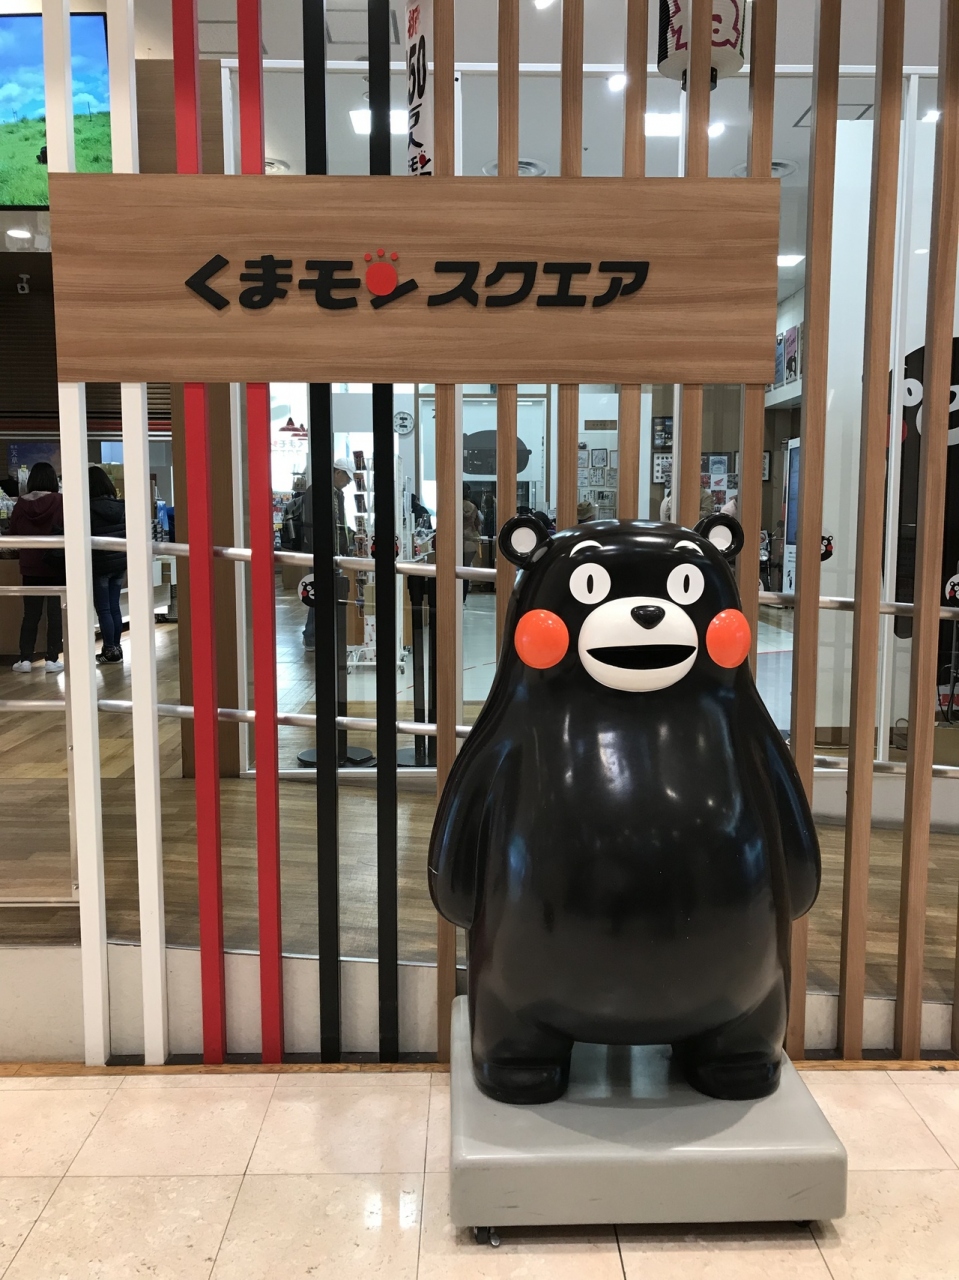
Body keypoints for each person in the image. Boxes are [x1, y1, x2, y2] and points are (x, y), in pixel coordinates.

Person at [8, 461, 64, 673]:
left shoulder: (21, 504)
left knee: (30, 614)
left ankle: (24, 659)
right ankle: (52, 659)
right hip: (55, 564)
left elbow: (13, 532)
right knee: (55, 614)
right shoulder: (60, 501)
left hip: (30, 566)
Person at [89, 466, 127, 665]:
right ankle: (116, 648)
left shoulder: (88, 509)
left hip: (101, 564)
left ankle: (110, 650)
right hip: (119, 563)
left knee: (103, 609)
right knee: (114, 607)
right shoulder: (121, 507)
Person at [462, 483, 481, 600]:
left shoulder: (453, 505)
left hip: (457, 540)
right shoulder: (473, 507)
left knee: (455, 570)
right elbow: (477, 524)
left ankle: (457, 596)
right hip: (471, 541)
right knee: (465, 570)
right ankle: (463, 597)